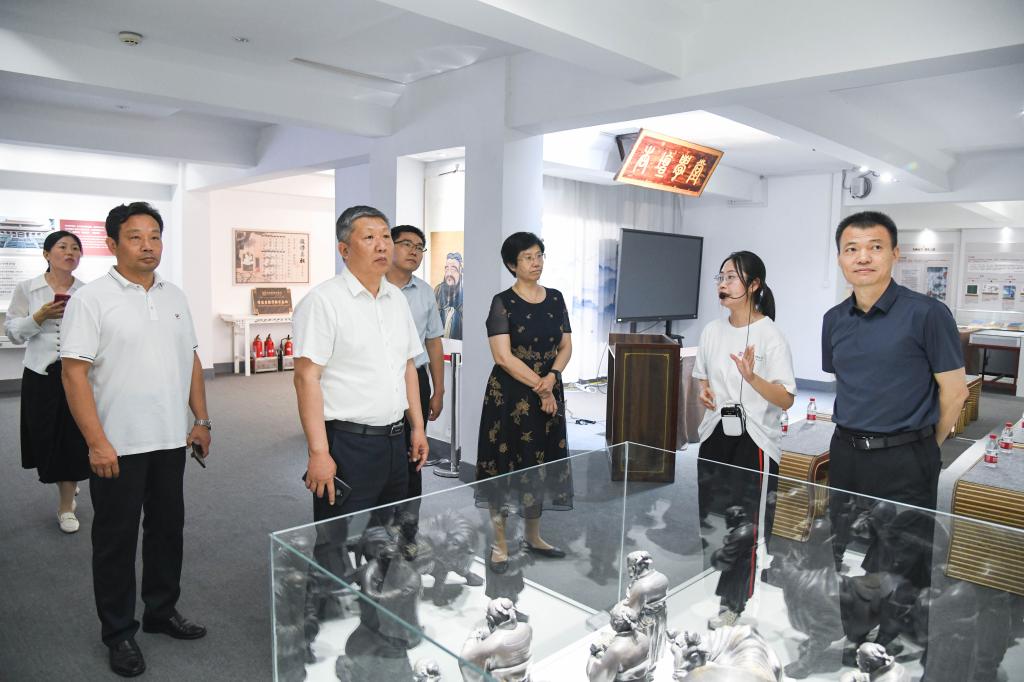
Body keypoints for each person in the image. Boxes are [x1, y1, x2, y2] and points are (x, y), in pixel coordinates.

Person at [60, 202, 212, 678]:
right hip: (117, 445)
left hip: (169, 440)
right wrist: (96, 442)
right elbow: (73, 374)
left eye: (154, 236)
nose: (148, 246)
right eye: (135, 237)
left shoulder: (174, 295)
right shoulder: (92, 299)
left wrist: (202, 419)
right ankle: (119, 632)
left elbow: (191, 358)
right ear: (112, 244)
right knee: (116, 540)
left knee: (168, 531)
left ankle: (161, 612)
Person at [823, 211, 967, 586]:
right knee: (844, 555)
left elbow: (955, 392)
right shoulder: (834, 319)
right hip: (847, 453)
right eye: (851, 249)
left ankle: (898, 626)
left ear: (895, 254)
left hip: (906, 458)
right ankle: (851, 621)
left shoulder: (927, 314)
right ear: (840, 258)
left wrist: (924, 446)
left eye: (875, 247)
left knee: (903, 569)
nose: (863, 257)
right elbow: (846, 381)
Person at [292, 205, 429, 579]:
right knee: (337, 540)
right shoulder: (323, 302)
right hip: (349, 444)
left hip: (394, 442)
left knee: (385, 537)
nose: (382, 245)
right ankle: (326, 609)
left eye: (385, 236)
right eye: (369, 237)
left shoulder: (395, 299)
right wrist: (319, 453)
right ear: (344, 249)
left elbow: (407, 367)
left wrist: (417, 427)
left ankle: (377, 607)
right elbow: (306, 379)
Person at [692, 250, 796, 629]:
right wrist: (704, 392)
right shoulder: (711, 331)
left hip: (755, 441)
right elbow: (702, 378)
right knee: (713, 515)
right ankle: (720, 585)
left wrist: (752, 378)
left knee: (745, 523)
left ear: (753, 286)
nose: (723, 284)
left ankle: (734, 602)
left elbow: (786, 398)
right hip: (715, 433)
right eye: (720, 277)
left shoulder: (771, 336)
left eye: (732, 277)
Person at [476, 232, 573, 568]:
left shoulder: (556, 298)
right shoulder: (502, 301)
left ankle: (533, 536)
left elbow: (566, 345)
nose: (536, 263)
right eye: (528, 257)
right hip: (511, 396)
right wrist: (542, 388)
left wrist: (553, 378)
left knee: (540, 464)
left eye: (539, 255)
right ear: (511, 265)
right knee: (504, 465)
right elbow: (503, 357)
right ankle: (500, 543)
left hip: (548, 390)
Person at [4, 230, 88, 533]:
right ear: (46, 254)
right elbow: (13, 332)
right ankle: (66, 482)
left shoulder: (86, 291)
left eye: (75, 248)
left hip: (76, 375)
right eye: (62, 247)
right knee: (45, 437)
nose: (70, 252)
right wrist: (39, 316)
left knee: (72, 440)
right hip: (40, 375)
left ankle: (66, 504)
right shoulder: (28, 289)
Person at [385, 224, 446, 480]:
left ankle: (409, 504)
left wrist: (438, 390)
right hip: (379, 379)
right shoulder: (372, 286)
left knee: (414, 447)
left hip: (416, 378)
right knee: (380, 448)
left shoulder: (425, 292)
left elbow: (433, 342)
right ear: (389, 246)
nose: (414, 251)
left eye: (420, 247)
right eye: (407, 244)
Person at [434, 251, 464, 340]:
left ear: (460, 272)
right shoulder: (438, 290)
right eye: (447, 269)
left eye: (453, 269)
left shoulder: (465, 291)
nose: (449, 274)